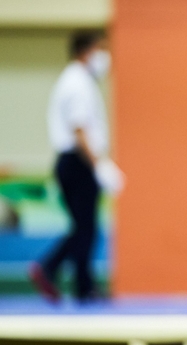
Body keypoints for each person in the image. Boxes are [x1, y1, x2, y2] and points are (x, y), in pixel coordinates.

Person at [29, 32, 122, 303]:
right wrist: (99, 165)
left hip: (75, 161)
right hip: (78, 162)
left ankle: (77, 281)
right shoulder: (77, 83)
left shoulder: (77, 80)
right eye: (100, 49)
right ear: (86, 51)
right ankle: (56, 271)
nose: (105, 57)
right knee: (85, 227)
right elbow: (79, 129)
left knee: (85, 227)